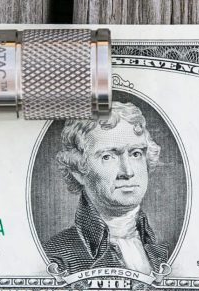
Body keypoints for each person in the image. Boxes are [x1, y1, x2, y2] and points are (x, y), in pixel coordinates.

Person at [42, 101, 168, 274]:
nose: (128, 171)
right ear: (79, 170)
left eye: (136, 153)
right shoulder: (56, 256)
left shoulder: (163, 251)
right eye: (108, 156)